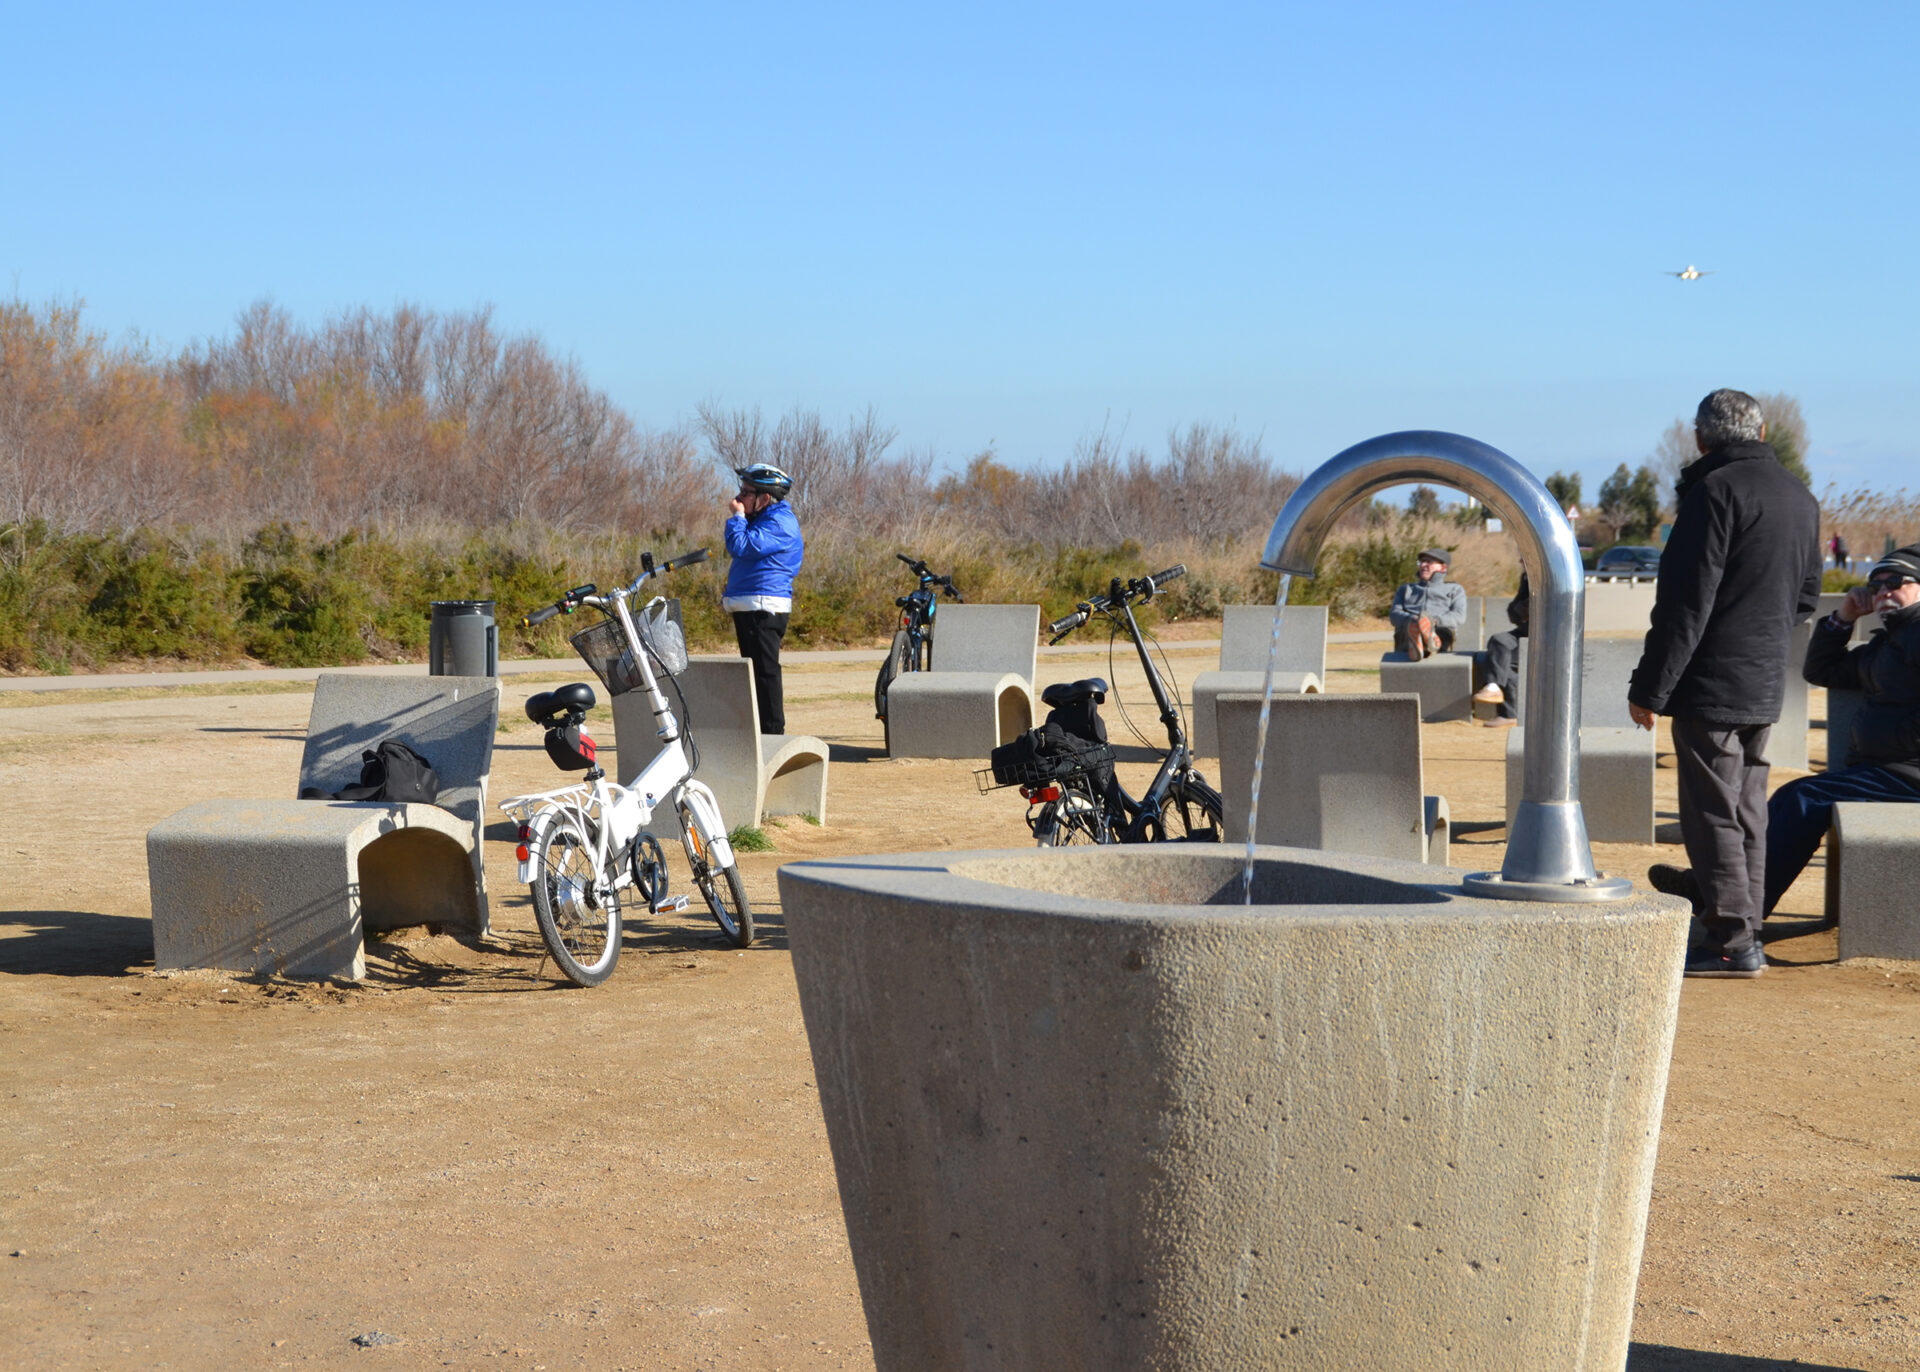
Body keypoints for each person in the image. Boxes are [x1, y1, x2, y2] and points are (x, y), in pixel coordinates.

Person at [1630, 388, 1822, 978]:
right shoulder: (1800, 496)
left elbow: (1685, 605)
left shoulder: (1713, 492)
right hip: (1766, 680)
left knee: (1712, 812)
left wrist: (1650, 688)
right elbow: (1807, 597)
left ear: (1700, 438)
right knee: (1747, 810)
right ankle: (1745, 929)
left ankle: (1730, 941)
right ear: (1761, 433)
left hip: (1711, 681)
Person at [1651, 545, 1920, 919]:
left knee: (1804, 798)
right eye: (1875, 586)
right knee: (1790, 796)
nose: (1883, 592)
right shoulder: (1887, 643)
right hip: (1886, 769)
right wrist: (1842, 619)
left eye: (1895, 583)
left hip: (1908, 772)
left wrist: (1902, 740)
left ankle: (1740, 907)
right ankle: (1722, 891)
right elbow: (1821, 670)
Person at [723, 463, 803, 736]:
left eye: (746, 492)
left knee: (765, 673)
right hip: (752, 605)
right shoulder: (765, 519)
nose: (738, 498)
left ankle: (772, 734)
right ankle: (759, 733)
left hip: (764, 607)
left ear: (765, 498)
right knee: (754, 674)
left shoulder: (780, 523)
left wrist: (737, 517)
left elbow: (741, 546)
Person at [1390, 548, 1466, 661]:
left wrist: (1432, 621)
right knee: (1411, 629)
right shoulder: (1406, 589)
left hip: (1440, 629)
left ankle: (1424, 643)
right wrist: (1414, 620)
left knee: (1442, 632)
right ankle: (1424, 643)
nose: (1423, 565)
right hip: (1409, 629)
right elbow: (1394, 615)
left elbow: (1459, 616)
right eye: (1421, 562)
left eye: (1429, 562)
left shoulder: (1454, 589)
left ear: (1443, 567)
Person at [1473, 572, 1527, 725]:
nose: (1521, 562)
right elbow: (1512, 612)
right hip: (1524, 632)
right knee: (1499, 641)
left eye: (1523, 560)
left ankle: (1509, 714)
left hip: (1548, 638)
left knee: (1505, 662)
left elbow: (1542, 606)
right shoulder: (1527, 578)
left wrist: (1522, 608)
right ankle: (1493, 688)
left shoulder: (1550, 576)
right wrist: (1523, 610)